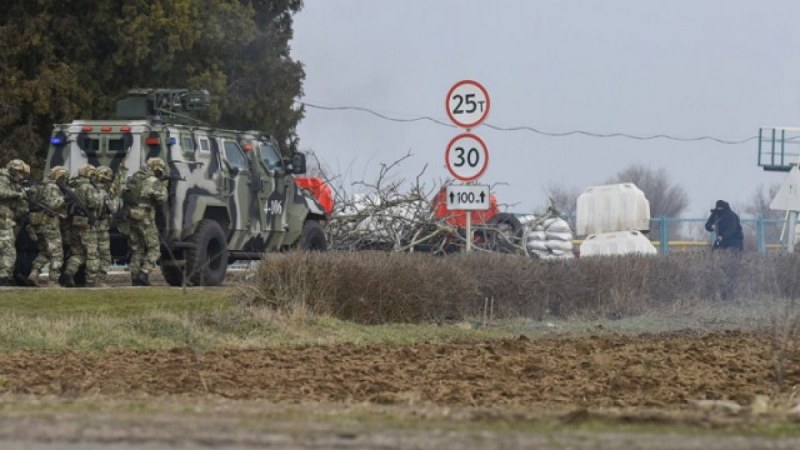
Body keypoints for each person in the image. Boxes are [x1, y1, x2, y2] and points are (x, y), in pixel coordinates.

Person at [123, 158, 167, 286]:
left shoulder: (133, 179)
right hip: (145, 219)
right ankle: (144, 272)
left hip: (131, 217)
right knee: (154, 249)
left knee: (137, 249)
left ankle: (135, 278)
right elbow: (162, 199)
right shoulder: (153, 181)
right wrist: (162, 184)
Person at [25, 166, 68, 287]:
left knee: (45, 252)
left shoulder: (40, 186)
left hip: (38, 224)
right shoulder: (52, 187)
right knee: (57, 254)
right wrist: (63, 198)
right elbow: (52, 204)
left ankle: (34, 274)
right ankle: (53, 281)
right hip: (50, 224)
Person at [61, 165, 103, 287]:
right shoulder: (88, 187)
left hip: (74, 223)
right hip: (87, 224)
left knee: (77, 253)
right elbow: (94, 203)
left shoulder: (72, 186)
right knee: (92, 255)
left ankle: (69, 271)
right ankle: (90, 281)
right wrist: (99, 195)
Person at [0, 159, 30, 286]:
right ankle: (3, 277)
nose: (21, 176)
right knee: (8, 250)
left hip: (8, 219)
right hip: (3, 219)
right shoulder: (3, 179)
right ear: (13, 171)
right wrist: (17, 195)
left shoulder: (13, 183)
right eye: (20, 172)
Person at [91, 166, 119, 287]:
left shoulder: (89, 189)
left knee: (92, 254)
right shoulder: (104, 193)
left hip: (90, 227)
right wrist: (116, 198)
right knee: (105, 255)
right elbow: (112, 208)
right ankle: (100, 280)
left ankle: (90, 279)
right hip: (102, 227)